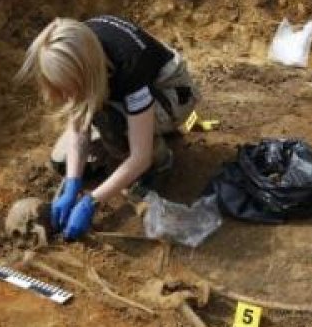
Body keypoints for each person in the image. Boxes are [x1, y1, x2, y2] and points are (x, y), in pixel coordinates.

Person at [16, 16, 200, 240]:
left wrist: (90, 201)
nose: (64, 97)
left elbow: (139, 157)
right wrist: (73, 183)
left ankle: (161, 159)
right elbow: (78, 122)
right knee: (62, 160)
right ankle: (129, 131)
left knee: (115, 126)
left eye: (68, 88)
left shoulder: (129, 66)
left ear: (85, 73)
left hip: (170, 89)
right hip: (114, 89)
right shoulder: (72, 45)